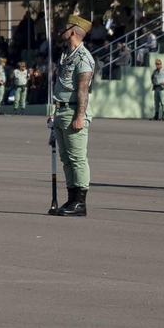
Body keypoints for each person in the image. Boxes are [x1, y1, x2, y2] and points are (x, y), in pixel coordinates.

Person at [49, 14, 96, 216]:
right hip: (61, 110)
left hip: (73, 110)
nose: (61, 31)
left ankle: (80, 202)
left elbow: (83, 89)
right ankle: (71, 199)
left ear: (74, 31)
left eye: (65, 27)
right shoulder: (66, 55)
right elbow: (61, 85)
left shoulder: (83, 57)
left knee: (77, 158)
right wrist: (54, 111)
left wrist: (79, 116)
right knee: (66, 158)